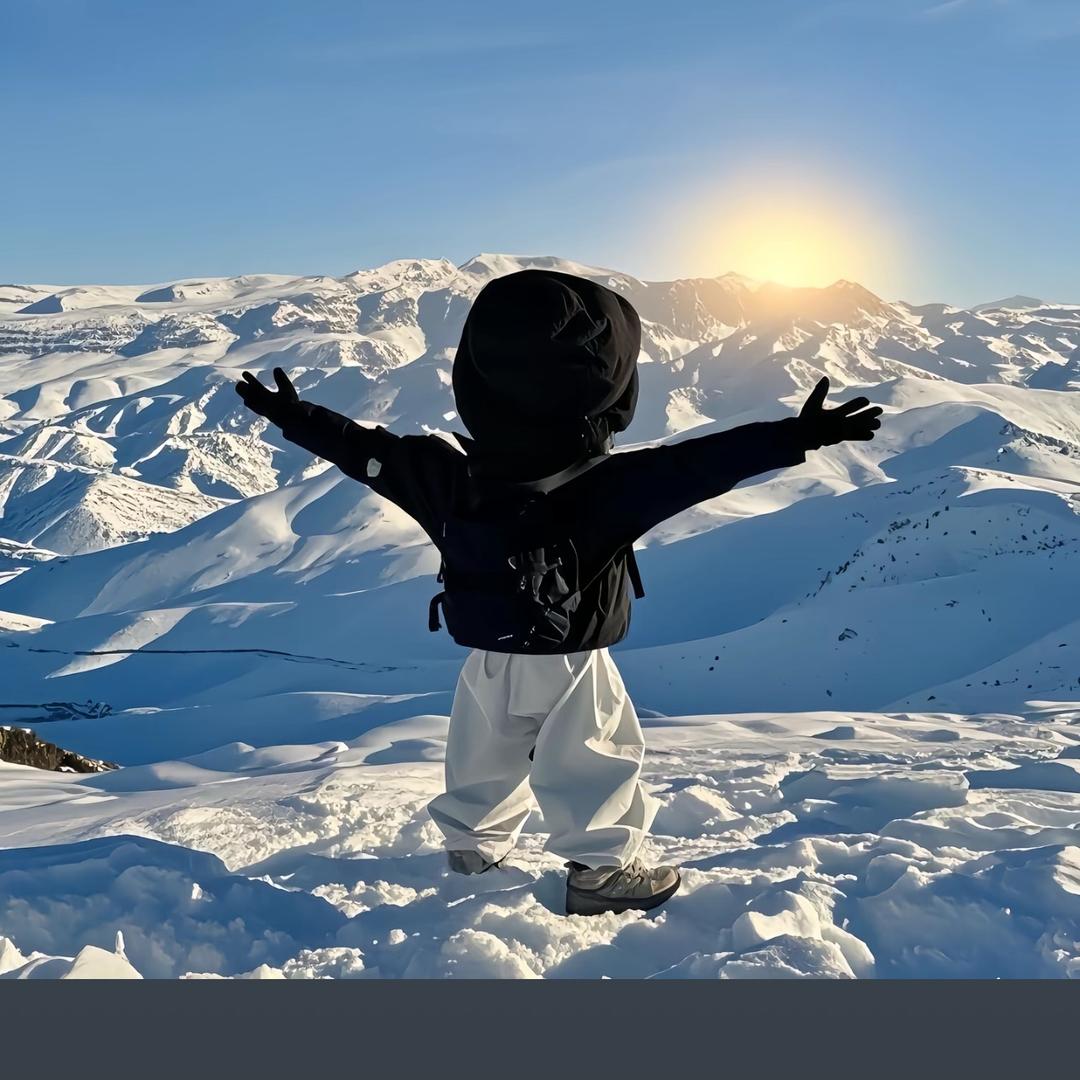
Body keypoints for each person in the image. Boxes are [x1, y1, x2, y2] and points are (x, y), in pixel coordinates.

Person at [236, 268, 882, 916]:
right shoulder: (608, 487)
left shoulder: (444, 475)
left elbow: (363, 452)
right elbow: (699, 466)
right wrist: (794, 436)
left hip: (486, 650)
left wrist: (295, 417)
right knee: (594, 754)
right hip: (572, 656)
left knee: (480, 752)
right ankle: (600, 871)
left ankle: (471, 850)